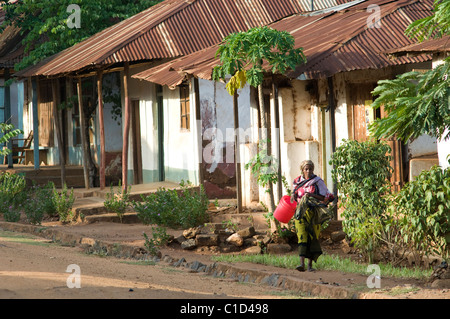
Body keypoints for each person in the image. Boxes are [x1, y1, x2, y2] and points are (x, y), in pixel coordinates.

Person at [290, 160, 334, 272]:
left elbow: (325, 196)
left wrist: (311, 195)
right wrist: (293, 198)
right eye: (306, 169)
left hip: (313, 213)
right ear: (302, 170)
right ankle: (301, 264)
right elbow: (294, 196)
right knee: (301, 235)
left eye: (310, 169)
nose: (308, 171)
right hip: (301, 213)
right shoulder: (297, 181)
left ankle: (309, 265)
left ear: (313, 169)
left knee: (312, 237)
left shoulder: (317, 181)